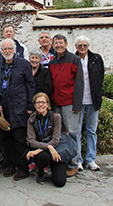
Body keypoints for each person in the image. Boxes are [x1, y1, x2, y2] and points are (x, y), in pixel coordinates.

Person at [0, 39, 35, 181]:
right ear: (1, 51)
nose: (7, 51)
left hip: (19, 107)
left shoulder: (23, 64)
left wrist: (30, 106)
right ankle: (10, 165)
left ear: (14, 49)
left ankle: (23, 168)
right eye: (4, 49)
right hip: (4, 108)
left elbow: (30, 85)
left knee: (19, 139)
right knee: (7, 139)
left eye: (10, 48)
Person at [48, 34, 84, 177]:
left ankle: (74, 164)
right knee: (60, 135)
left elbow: (80, 83)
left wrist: (77, 105)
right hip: (56, 103)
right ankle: (62, 162)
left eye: (61, 43)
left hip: (70, 104)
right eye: (56, 43)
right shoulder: (52, 62)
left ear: (66, 44)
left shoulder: (74, 60)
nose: (58, 45)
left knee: (72, 134)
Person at [75, 36, 105, 171]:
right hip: (78, 101)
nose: (82, 47)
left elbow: (101, 77)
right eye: (80, 45)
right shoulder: (73, 59)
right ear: (76, 46)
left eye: (85, 45)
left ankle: (91, 159)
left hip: (93, 100)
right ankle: (78, 160)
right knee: (77, 132)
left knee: (91, 131)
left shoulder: (96, 59)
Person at [25, 92, 67, 187]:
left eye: (43, 102)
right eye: (38, 102)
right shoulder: (31, 120)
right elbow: (32, 141)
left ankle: (54, 168)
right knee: (43, 157)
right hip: (43, 154)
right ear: (34, 104)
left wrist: (41, 149)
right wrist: (48, 147)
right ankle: (40, 173)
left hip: (56, 150)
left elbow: (56, 140)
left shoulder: (56, 117)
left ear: (48, 104)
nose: (41, 105)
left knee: (60, 182)